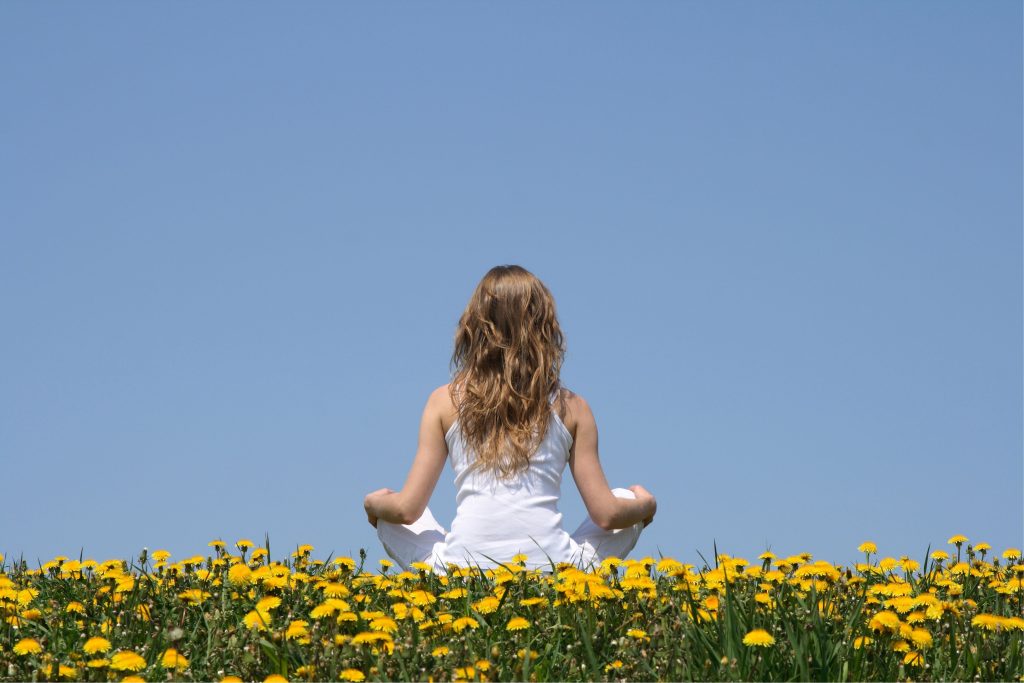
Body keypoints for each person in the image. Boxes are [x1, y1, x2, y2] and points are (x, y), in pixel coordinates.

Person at [363, 264, 657, 574]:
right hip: (555, 569)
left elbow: (408, 510)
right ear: (544, 327)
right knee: (624, 498)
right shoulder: (573, 407)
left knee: (391, 514)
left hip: (460, 571)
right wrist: (646, 505)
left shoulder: (442, 401)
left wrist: (374, 505)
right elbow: (607, 515)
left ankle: (457, 568)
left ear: (474, 326)